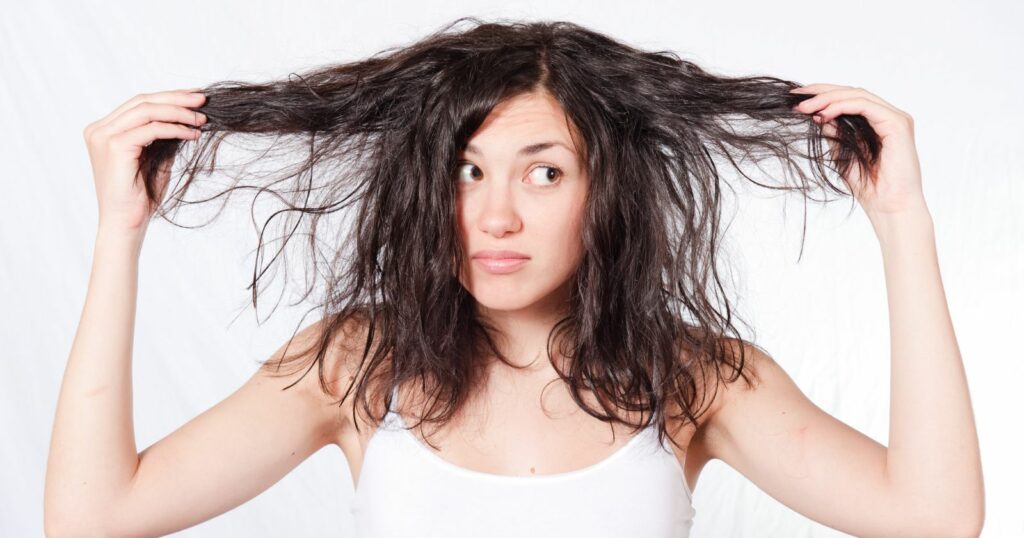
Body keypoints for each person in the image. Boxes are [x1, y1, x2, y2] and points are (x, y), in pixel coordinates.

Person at [44, 17, 984, 537]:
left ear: (601, 189)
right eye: (466, 169)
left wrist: (901, 222)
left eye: (544, 172)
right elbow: (92, 520)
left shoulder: (693, 379)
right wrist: (121, 236)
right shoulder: (359, 365)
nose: (495, 215)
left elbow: (935, 519)